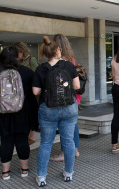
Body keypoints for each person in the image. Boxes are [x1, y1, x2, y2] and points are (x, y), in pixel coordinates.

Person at [0, 46, 39, 180]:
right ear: (17, 57)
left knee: (6, 141)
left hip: (1, 115)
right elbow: (34, 92)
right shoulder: (26, 72)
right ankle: (24, 170)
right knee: (22, 140)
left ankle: (5, 173)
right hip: (23, 113)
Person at [33, 36, 80, 186]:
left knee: (46, 143)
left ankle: (41, 177)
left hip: (48, 110)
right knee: (68, 141)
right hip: (69, 109)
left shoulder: (40, 68)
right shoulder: (68, 66)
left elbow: (35, 91)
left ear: (45, 53)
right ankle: (68, 174)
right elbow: (77, 86)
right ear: (58, 50)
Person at [50, 34, 81, 162]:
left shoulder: (57, 62)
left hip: (62, 97)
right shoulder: (71, 59)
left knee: (63, 125)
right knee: (72, 123)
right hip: (73, 97)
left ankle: (64, 152)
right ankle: (75, 150)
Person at [13, 42, 39, 145]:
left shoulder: (31, 60)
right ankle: (24, 135)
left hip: (30, 93)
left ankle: (31, 136)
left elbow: (37, 76)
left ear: (21, 51)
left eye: (17, 52)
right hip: (21, 93)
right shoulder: (19, 62)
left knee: (30, 114)